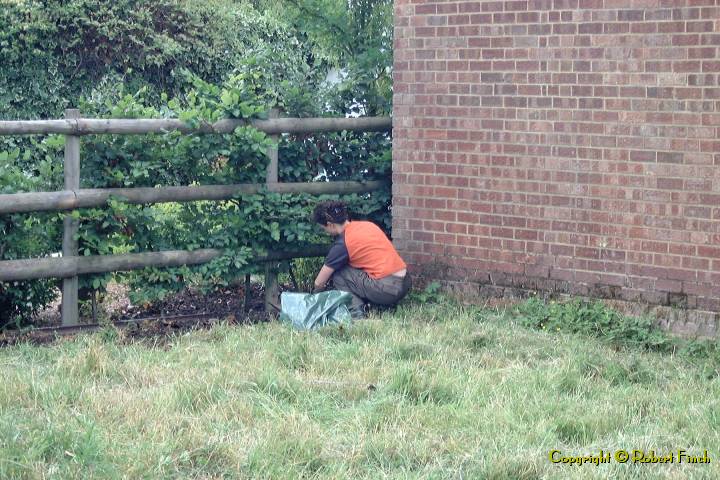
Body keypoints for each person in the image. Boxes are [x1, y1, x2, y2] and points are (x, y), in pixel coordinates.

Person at [312, 200, 412, 317]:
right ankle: (380, 305)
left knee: (339, 273)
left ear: (330, 224)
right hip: (405, 283)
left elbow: (319, 282)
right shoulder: (367, 226)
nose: (325, 231)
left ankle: (357, 313)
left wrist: (314, 298)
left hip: (388, 289)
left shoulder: (343, 244)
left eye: (324, 228)